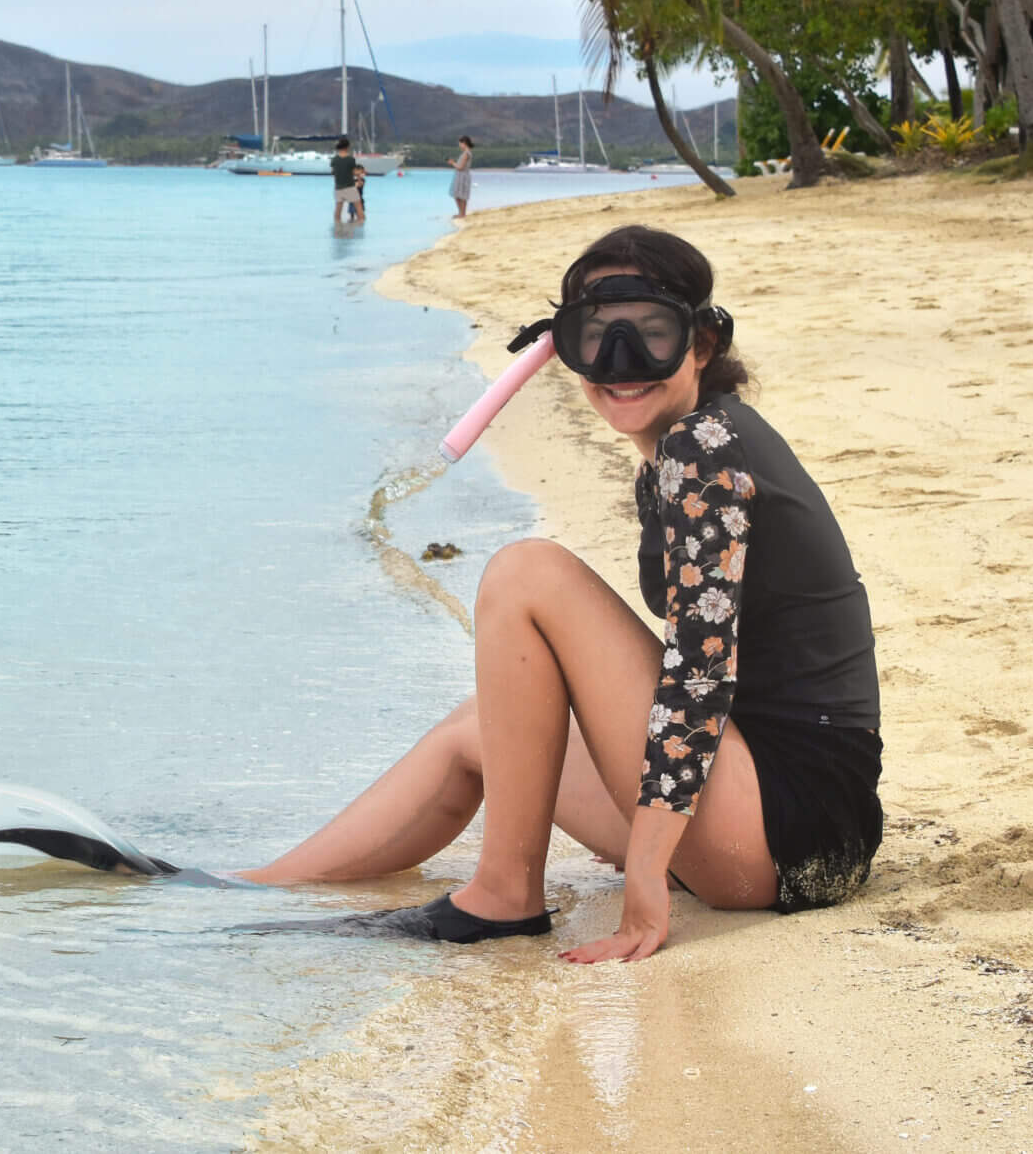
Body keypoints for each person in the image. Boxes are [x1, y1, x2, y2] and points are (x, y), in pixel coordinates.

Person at [241, 225, 883, 958]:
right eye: (595, 339)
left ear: (702, 343)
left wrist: (644, 879)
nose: (620, 363)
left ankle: (505, 896)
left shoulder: (702, 446)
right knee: (482, 729)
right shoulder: (686, 447)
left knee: (527, 572)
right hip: (774, 817)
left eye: (651, 334)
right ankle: (256, 886)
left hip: (789, 826)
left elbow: (699, 676)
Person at [331, 136, 362, 225]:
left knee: (338, 210)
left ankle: (337, 227)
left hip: (338, 188)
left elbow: (333, 172)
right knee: (359, 211)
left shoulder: (334, 159)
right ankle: (361, 227)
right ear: (347, 147)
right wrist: (359, 180)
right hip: (350, 187)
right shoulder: (350, 159)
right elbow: (354, 172)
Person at [449, 135, 475, 219]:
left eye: (460, 144)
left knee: (460, 195)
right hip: (463, 175)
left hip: (462, 176)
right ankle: (461, 213)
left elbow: (460, 167)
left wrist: (452, 163)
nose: (459, 146)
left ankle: (462, 214)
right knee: (460, 195)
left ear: (464, 143)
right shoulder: (467, 153)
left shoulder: (466, 153)